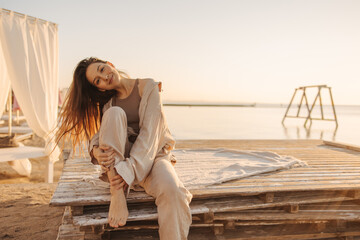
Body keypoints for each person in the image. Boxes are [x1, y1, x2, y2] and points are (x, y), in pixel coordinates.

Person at [55, 57, 192, 239]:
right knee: (113, 114)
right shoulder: (109, 104)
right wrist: (95, 149)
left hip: (153, 157)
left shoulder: (149, 87)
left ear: (110, 64)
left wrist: (125, 173)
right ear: (99, 88)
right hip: (121, 164)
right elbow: (100, 134)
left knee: (173, 190)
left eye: (102, 69)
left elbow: (150, 135)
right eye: (98, 81)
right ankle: (117, 192)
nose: (105, 77)